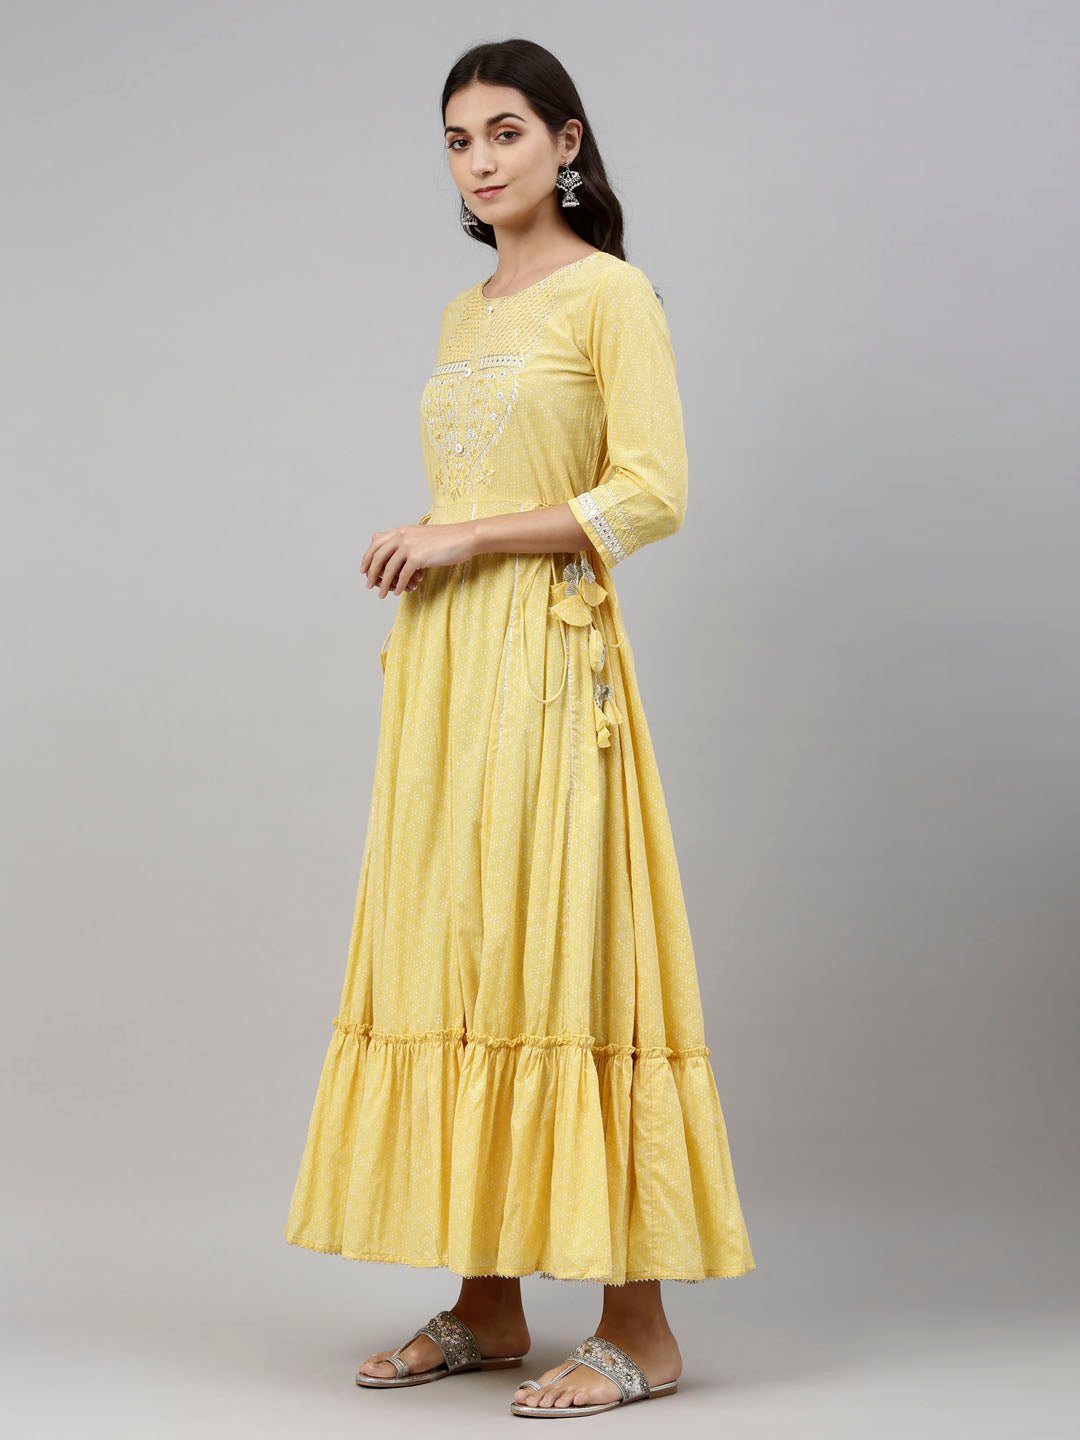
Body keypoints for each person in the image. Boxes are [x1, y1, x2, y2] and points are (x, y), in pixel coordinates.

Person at [284, 37, 755, 1418]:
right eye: (457, 140)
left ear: (566, 141)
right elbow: (482, 478)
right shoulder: (465, 310)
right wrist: (436, 541)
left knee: (570, 950)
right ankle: (488, 1304)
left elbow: (651, 492)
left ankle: (639, 1328)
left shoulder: (611, 294)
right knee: (467, 951)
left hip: (550, 663)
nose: (480, 161)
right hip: (445, 672)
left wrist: (468, 535)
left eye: (505, 132)